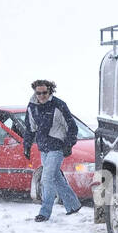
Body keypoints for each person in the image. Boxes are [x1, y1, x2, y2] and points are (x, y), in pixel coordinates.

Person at [22, 79, 81, 222]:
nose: (41, 96)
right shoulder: (32, 107)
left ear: (50, 91)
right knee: (56, 178)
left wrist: (68, 144)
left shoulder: (59, 105)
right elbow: (30, 128)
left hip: (57, 147)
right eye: (38, 93)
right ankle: (73, 205)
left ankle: (44, 212)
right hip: (44, 148)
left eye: (44, 93)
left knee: (46, 178)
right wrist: (27, 145)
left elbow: (72, 127)